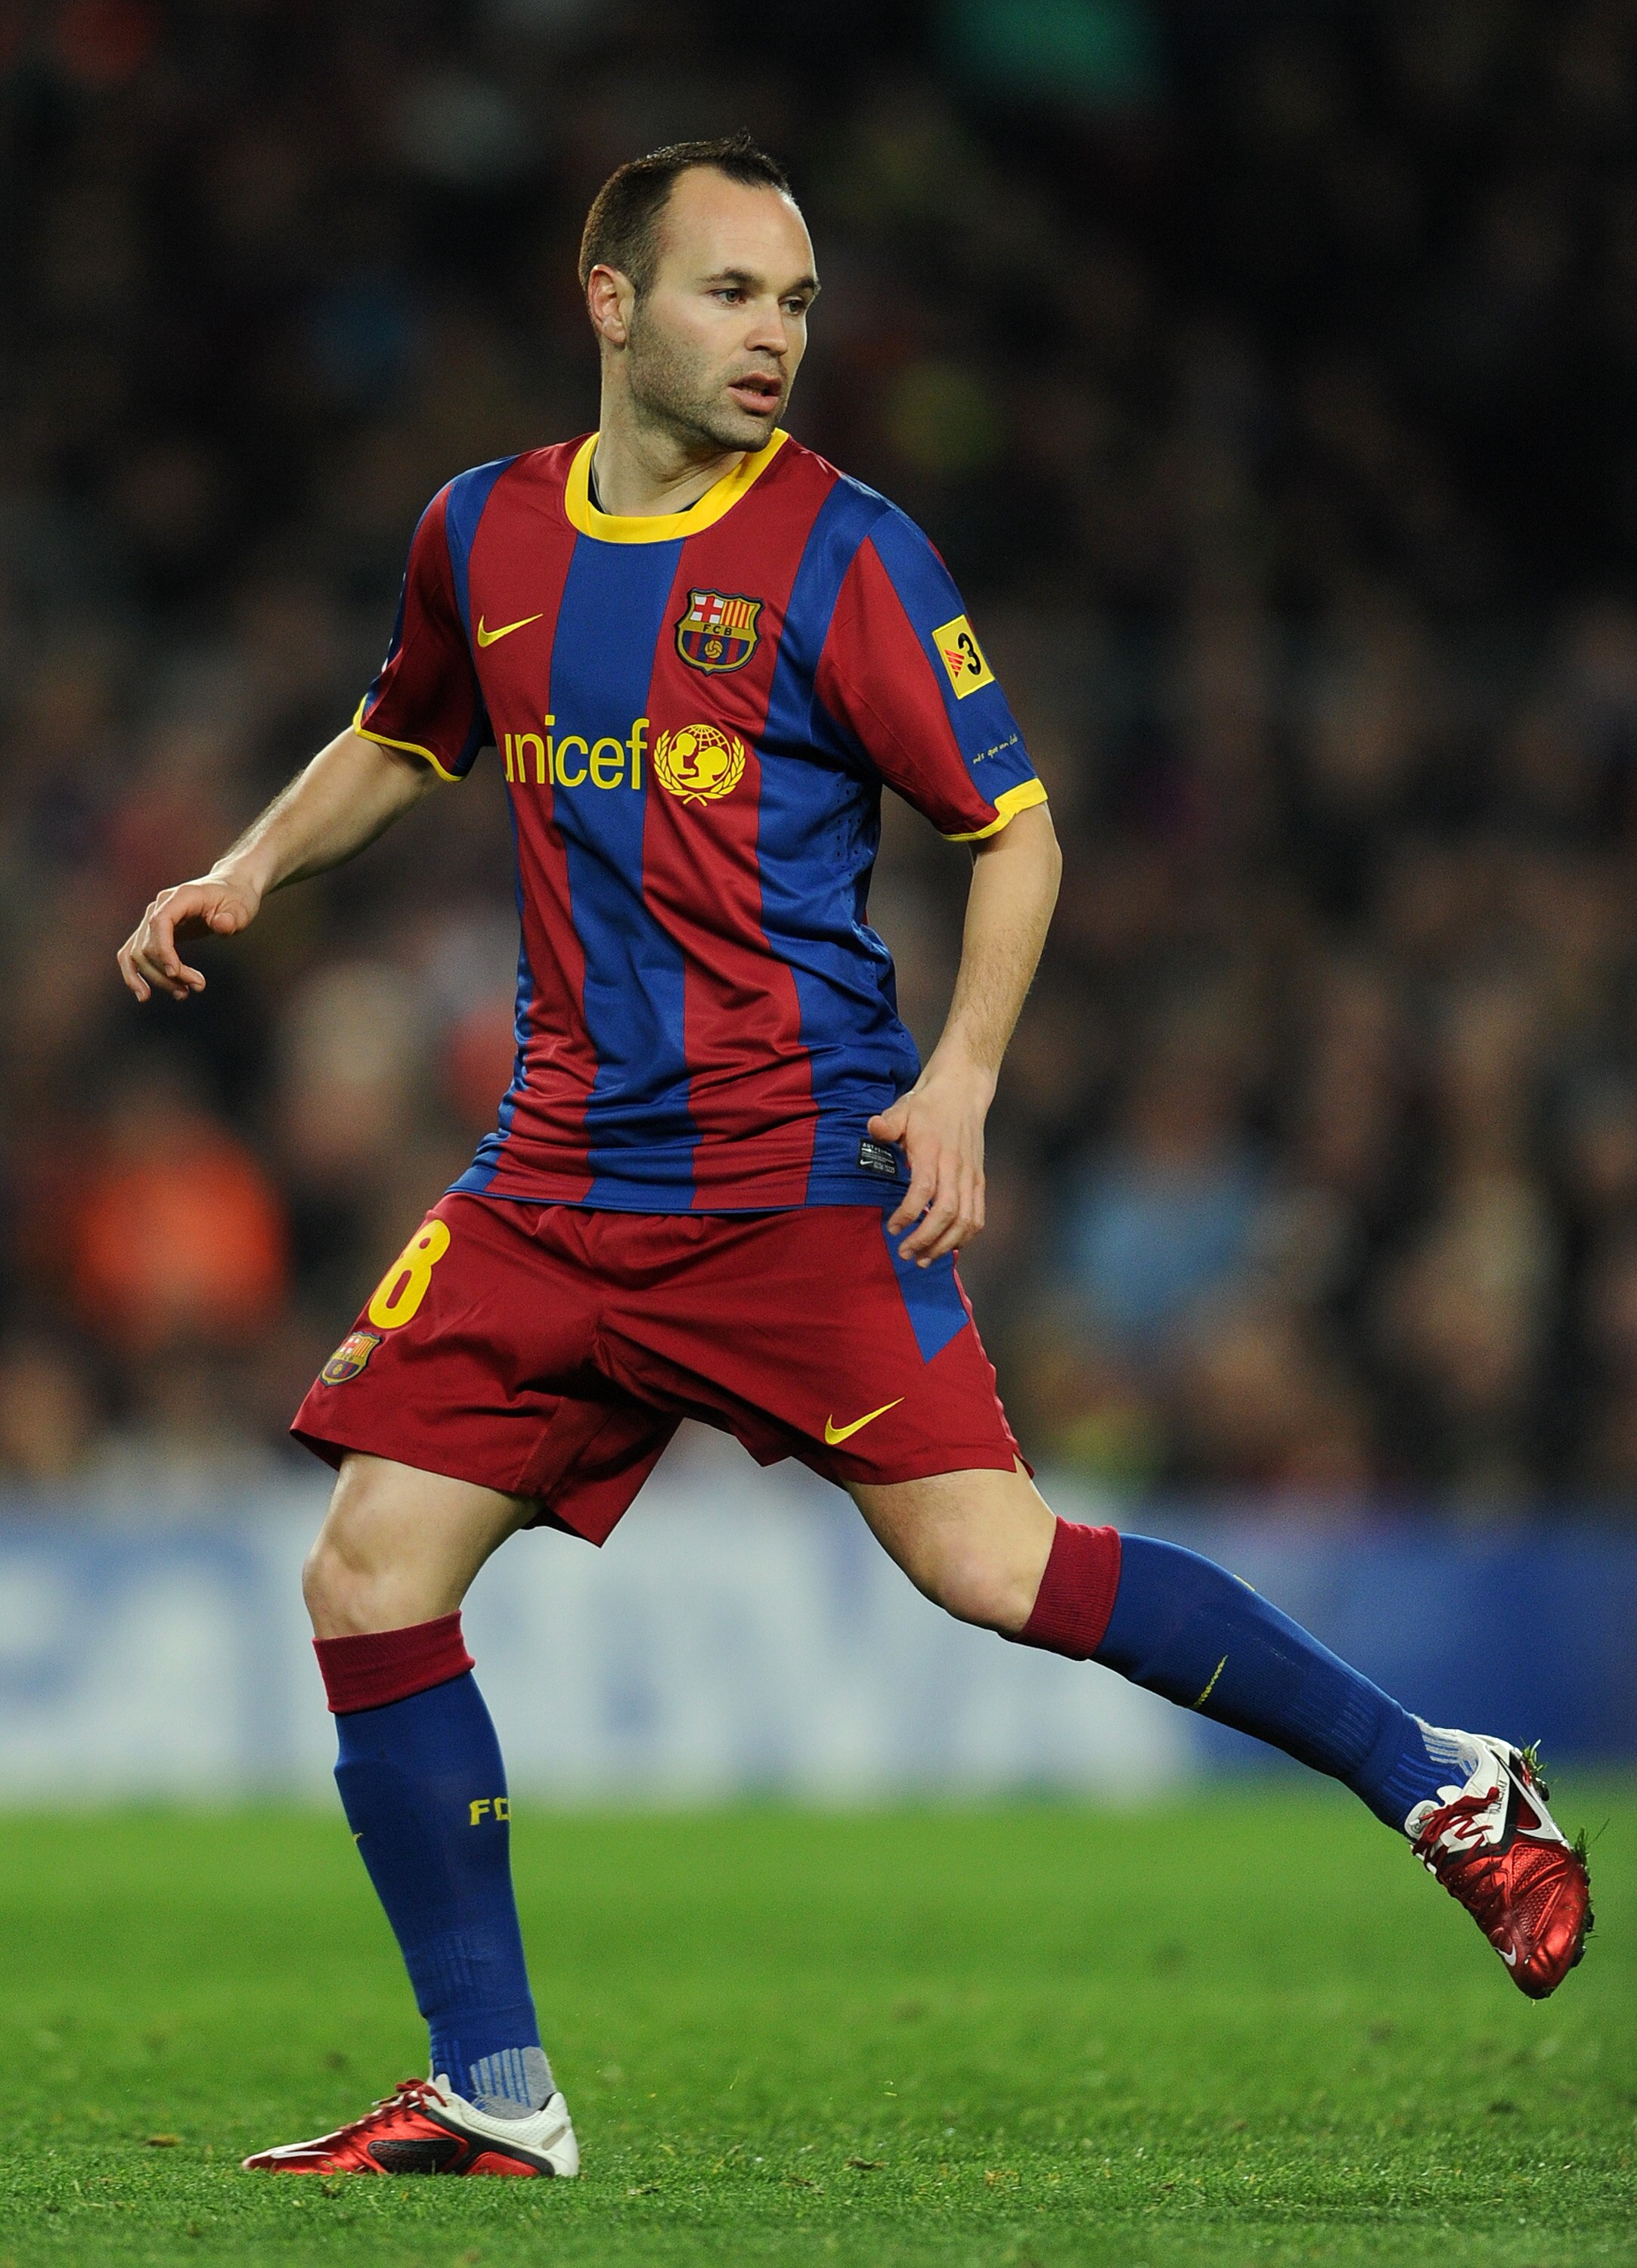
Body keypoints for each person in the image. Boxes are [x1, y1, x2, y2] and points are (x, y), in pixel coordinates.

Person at [118, 135, 1591, 2183]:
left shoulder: (843, 551)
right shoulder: (483, 534)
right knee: (368, 1573)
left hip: (790, 1171)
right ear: (610, 298)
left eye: (798, 302)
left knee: (992, 1567)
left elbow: (1018, 829)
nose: (777, 337)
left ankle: (1443, 1779)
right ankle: (495, 2086)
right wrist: (245, 865)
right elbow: (407, 730)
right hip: (553, 1176)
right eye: (734, 292)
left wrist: (966, 1075)